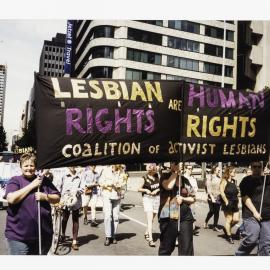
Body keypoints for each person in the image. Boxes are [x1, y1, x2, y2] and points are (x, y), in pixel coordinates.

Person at [4, 153, 60, 255]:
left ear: (35, 166)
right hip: (19, 238)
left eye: (31, 165)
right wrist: (32, 185)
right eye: (26, 165)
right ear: (20, 167)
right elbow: (11, 199)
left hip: (43, 236)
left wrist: (46, 197)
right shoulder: (15, 180)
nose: (29, 168)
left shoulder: (43, 180)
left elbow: (57, 198)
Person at [158, 161, 196, 256]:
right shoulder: (165, 176)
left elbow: (193, 198)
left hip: (185, 217)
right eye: (177, 163)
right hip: (168, 216)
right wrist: (175, 172)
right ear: (172, 165)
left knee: (186, 247)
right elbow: (168, 186)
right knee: (167, 247)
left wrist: (183, 198)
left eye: (181, 164)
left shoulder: (185, 180)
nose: (180, 165)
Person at [236, 161, 270, 256]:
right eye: (254, 167)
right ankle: (239, 255)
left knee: (266, 243)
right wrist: (255, 212)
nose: (257, 169)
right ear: (251, 168)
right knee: (252, 239)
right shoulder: (246, 180)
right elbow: (245, 197)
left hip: (267, 216)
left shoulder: (267, 179)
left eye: (259, 167)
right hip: (251, 214)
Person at [99, 164, 126, 246]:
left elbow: (124, 184)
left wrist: (120, 186)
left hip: (117, 196)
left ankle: (113, 235)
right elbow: (100, 182)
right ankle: (108, 236)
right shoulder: (106, 170)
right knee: (107, 216)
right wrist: (111, 183)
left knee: (116, 217)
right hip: (107, 195)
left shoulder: (122, 172)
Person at [59, 167, 83, 251]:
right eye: (71, 165)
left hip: (76, 200)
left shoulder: (80, 176)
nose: (73, 167)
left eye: (75, 165)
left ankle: (74, 241)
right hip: (65, 200)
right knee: (65, 218)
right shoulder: (64, 175)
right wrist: (60, 198)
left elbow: (83, 188)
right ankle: (63, 234)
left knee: (75, 220)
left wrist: (77, 192)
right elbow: (59, 187)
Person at [138, 163, 160, 247]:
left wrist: (157, 190)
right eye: (151, 169)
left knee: (152, 218)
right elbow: (138, 189)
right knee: (150, 218)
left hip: (156, 198)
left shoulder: (157, 176)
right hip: (147, 199)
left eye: (153, 169)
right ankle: (151, 239)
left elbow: (161, 186)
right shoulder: (144, 178)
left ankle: (146, 232)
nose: (153, 170)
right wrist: (146, 190)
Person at [220, 166, 240, 244]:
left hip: (235, 202)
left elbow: (236, 192)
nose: (234, 173)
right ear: (229, 172)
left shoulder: (234, 181)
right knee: (229, 219)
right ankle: (229, 236)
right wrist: (226, 201)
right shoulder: (224, 181)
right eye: (233, 171)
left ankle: (226, 228)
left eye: (235, 172)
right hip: (227, 202)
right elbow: (222, 192)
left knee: (236, 219)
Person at [204, 165, 222, 232]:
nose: (219, 171)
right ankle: (206, 221)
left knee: (217, 212)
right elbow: (208, 188)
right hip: (211, 197)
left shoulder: (219, 178)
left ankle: (215, 226)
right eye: (218, 170)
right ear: (214, 170)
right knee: (212, 211)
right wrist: (212, 197)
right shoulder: (210, 177)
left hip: (218, 197)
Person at [183, 164, 199, 236]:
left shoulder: (193, 178)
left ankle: (192, 229)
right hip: (185, 198)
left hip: (192, 197)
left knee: (193, 213)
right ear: (185, 169)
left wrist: (193, 193)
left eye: (191, 169)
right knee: (185, 213)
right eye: (188, 169)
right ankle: (185, 228)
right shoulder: (182, 177)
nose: (190, 170)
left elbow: (196, 188)